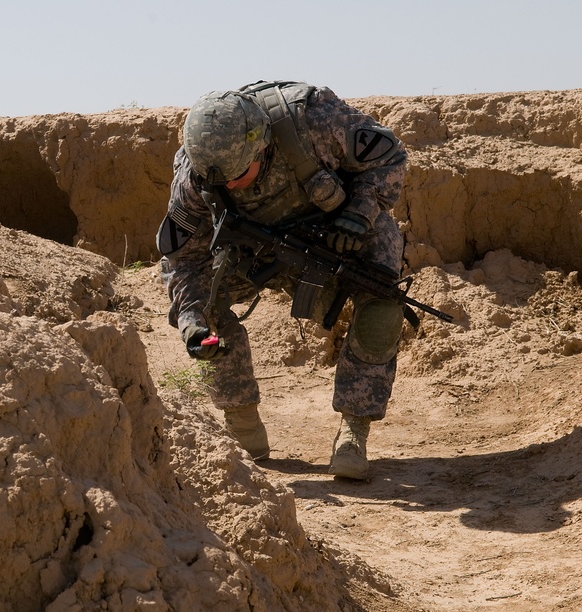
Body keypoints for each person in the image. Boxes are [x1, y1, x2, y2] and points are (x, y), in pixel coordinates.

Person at [156, 80, 408, 480]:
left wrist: (358, 213)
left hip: (337, 239)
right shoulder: (199, 173)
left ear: (262, 144)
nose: (232, 186)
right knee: (205, 311)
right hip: (252, 254)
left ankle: (352, 434)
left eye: (240, 175)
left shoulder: (313, 122)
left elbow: (390, 157)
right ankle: (243, 429)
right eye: (223, 182)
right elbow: (182, 259)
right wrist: (191, 319)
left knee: (381, 310)